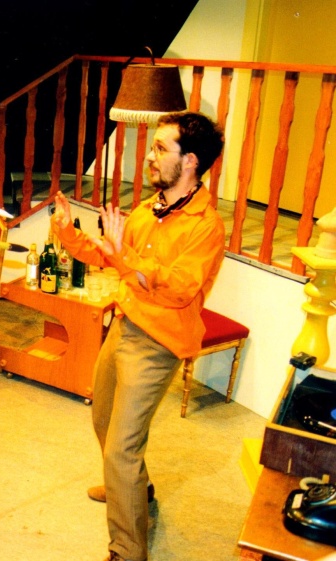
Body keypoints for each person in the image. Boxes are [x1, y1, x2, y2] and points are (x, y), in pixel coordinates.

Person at [51, 111, 226, 561]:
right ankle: (136, 488)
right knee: (103, 421)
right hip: (124, 324)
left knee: (121, 450)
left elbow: (179, 288)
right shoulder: (150, 209)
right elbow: (110, 256)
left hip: (158, 342)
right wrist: (67, 230)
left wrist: (124, 257)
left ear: (191, 161)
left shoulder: (206, 226)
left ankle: (128, 551)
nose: (150, 156)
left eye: (161, 148)